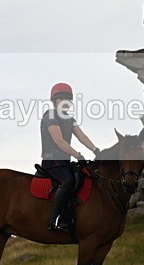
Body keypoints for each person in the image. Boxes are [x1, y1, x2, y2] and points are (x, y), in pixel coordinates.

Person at [41, 82, 101, 232]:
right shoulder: (51, 116)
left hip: (64, 160)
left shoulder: (69, 119)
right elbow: (59, 141)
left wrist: (96, 150)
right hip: (52, 160)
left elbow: (82, 136)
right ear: (55, 100)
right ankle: (53, 221)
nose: (66, 102)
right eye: (62, 99)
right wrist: (78, 155)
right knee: (68, 181)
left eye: (68, 99)